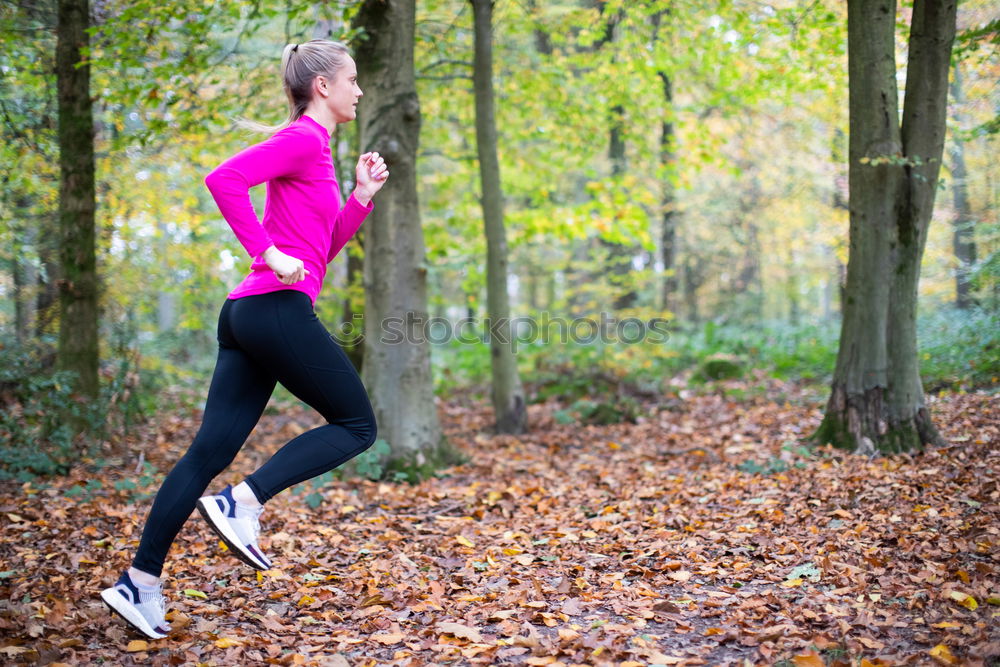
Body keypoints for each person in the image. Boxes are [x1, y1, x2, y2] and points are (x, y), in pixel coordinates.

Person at [101, 40, 388, 640]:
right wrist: (266, 251)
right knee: (358, 426)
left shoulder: (320, 151)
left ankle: (140, 583)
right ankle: (244, 502)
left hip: (249, 315)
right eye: (353, 80)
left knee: (206, 454)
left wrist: (359, 200)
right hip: (274, 310)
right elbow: (224, 178)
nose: (359, 90)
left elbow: (318, 252)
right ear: (324, 89)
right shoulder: (303, 139)